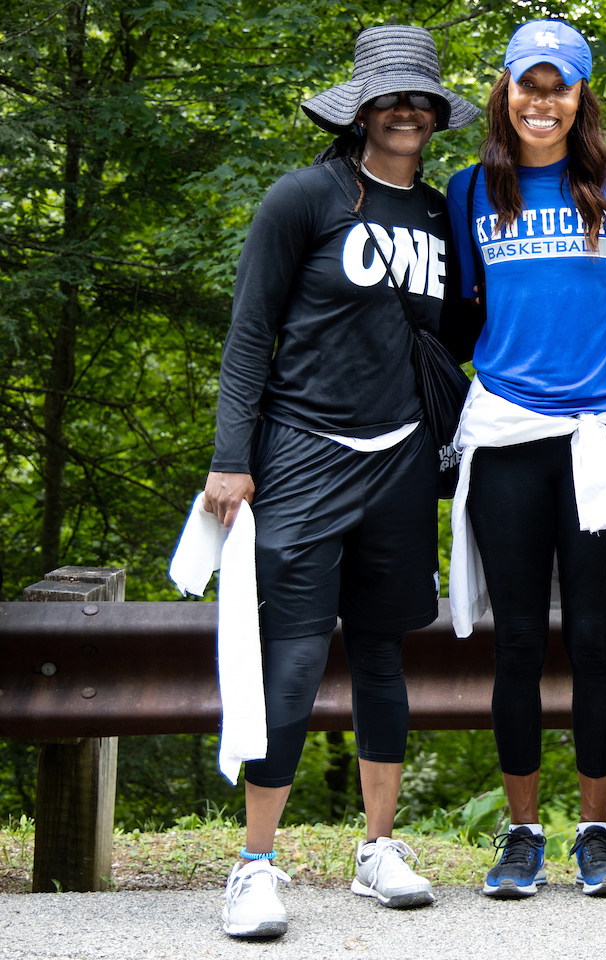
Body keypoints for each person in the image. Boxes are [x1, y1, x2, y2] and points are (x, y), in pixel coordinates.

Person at [203, 26, 479, 938]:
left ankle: (378, 848)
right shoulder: (303, 199)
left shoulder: (444, 213)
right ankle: (254, 866)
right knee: (290, 660)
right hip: (300, 455)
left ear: (438, 114)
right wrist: (230, 457)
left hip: (403, 458)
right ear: (360, 108)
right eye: (389, 97)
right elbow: (251, 336)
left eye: (420, 98)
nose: (406, 111)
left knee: (384, 656)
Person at [444, 19, 606, 900]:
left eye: (558, 86)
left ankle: (594, 833)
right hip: (508, 433)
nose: (541, 101)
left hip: (605, 431)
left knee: (596, 640)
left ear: (580, 96)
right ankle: (522, 834)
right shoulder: (467, 189)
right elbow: (449, 307)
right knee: (518, 641)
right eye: (527, 84)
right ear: (504, 89)